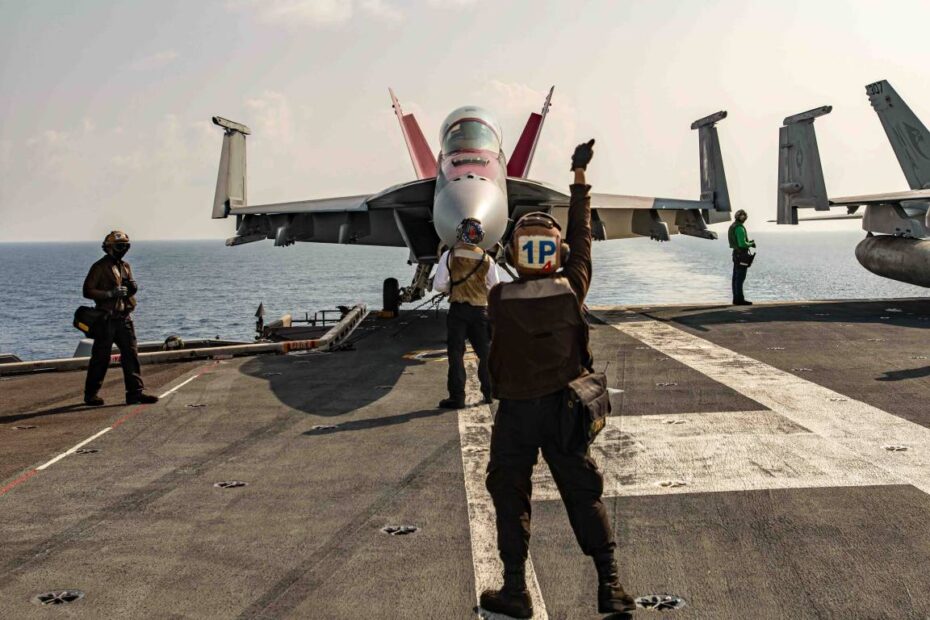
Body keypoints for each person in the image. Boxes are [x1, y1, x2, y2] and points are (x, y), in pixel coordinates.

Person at [480, 140, 635, 617]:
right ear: (558, 252)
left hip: (517, 415)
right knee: (583, 493)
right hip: (566, 410)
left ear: (513, 253)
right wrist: (578, 175)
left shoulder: (500, 299)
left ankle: (514, 589)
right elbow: (582, 238)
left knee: (510, 495)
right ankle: (609, 586)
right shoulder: (573, 288)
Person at [82, 231, 159, 406]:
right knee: (100, 358)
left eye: (126, 246)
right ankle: (91, 394)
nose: (123, 249)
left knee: (131, 355)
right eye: (120, 246)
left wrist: (132, 288)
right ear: (109, 247)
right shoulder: (99, 267)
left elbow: (128, 287)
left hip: (124, 317)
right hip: (106, 319)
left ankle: (135, 393)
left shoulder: (125, 266)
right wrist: (109, 293)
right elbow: (87, 291)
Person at [433, 218, 500, 409]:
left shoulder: (450, 255)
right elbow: (493, 287)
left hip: (458, 310)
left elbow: (439, 285)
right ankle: (489, 392)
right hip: (480, 311)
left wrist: (452, 287)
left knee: (455, 354)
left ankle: (457, 397)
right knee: (485, 353)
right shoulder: (487, 258)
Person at [728, 209, 756, 305]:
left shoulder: (733, 226)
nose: (744, 218)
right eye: (743, 216)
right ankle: (739, 299)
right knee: (740, 278)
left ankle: (736, 299)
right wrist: (751, 244)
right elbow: (742, 243)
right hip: (741, 255)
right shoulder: (739, 228)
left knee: (735, 278)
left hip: (736, 254)